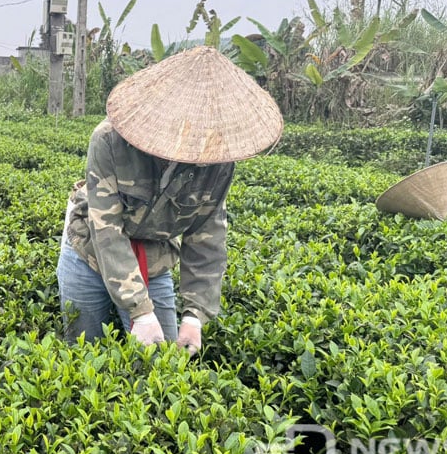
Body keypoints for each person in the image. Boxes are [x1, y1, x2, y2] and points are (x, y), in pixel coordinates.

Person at [57, 45, 283, 355]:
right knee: (84, 351)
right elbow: (106, 230)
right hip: (89, 250)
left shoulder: (219, 162)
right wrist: (139, 310)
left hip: (155, 254)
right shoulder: (110, 140)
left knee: (159, 361)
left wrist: (195, 315)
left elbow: (207, 236)